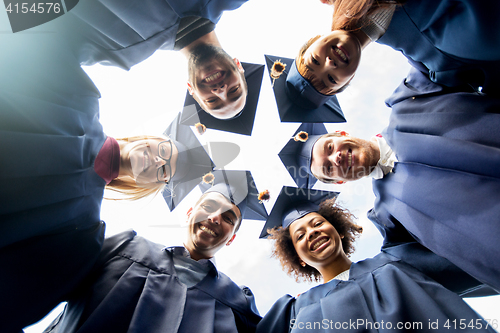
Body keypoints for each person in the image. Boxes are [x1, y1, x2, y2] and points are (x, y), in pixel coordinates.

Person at [0, 29, 213, 332]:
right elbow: (20, 39)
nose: (157, 160)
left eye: (165, 171)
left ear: (154, 185)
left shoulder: (81, 236)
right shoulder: (78, 98)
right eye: (164, 150)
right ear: (152, 138)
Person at [278, 67, 500, 292]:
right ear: (339, 182)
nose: (336, 158)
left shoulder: (410, 101)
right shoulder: (390, 218)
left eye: (329, 147)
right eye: (328, 168)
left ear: (341, 134)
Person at [43, 170, 267, 333]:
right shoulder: (126, 247)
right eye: (208, 207)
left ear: (232, 238)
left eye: (229, 218)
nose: (215, 217)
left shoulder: (238, 302)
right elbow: (43, 280)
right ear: (189, 212)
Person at [256, 187, 496, 333]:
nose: (312, 232)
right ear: (300, 259)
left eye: (318, 223)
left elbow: (467, 252)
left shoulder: (396, 260)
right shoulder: (294, 312)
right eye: (300, 236)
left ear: (339, 230)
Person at [34, 0, 251, 119]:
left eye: (212, 102)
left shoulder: (113, 51)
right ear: (239, 66)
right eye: (234, 91)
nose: (220, 91)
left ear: (191, 90)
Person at [294, 0, 500, 107]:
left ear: (313, 41)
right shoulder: (440, 64)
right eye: (331, 79)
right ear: (348, 80)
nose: (330, 64)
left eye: (315, 60)